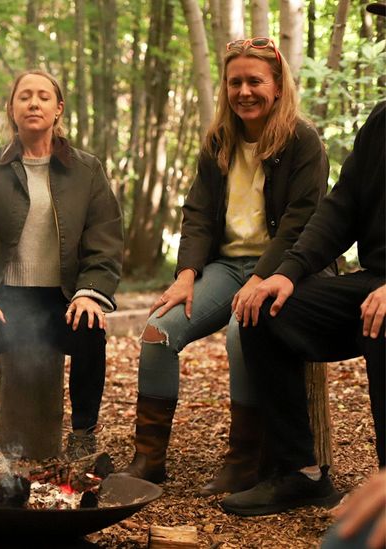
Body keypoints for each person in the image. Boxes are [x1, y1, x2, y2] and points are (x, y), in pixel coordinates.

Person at [121, 38, 328, 496]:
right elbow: (197, 214)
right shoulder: (219, 140)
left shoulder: (303, 141)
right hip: (226, 266)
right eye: (235, 82)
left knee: (243, 330)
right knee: (157, 331)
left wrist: (259, 279)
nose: (244, 91)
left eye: (255, 81)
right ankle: (149, 460)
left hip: (286, 270)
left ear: (277, 86)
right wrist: (186, 275)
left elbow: (301, 221)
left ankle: (244, 460)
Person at [221, 93, 383, 516]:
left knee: (383, 320)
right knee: (263, 311)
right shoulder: (381, 120)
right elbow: (342, 207)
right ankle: (300, 474)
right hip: (373, 282)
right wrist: (286, 273)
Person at [0, 69, 123, 459]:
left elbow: (105, 241)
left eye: (43, 96)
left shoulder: (86, 170)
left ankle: (83, 438)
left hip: (63, 297)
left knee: (90, 327)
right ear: (11, 108)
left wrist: (90, 294)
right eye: (24, 96)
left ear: (58, 109)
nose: (33, 103)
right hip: (2, 295)